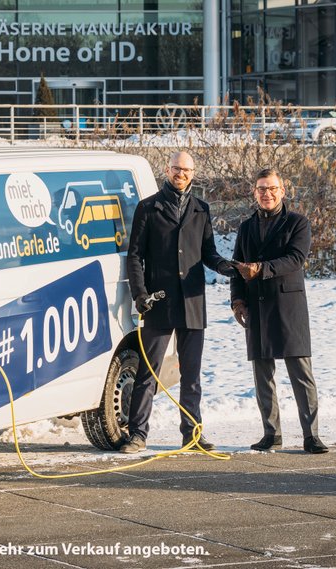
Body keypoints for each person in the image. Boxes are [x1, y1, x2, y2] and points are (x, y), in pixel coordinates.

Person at [121, 151, 237, 454]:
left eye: (186, 170)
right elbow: (135, 256)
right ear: (167, 169)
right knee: (149, 373)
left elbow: (208, 253)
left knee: (192, 375)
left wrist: (231, 268)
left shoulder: (201, 209)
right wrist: (139, 293)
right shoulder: (148, 208)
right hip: (158, 303)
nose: (181, 174)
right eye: (176, 169)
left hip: (192, 302)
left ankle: (192, 433)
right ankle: (138, 434)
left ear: (193, 173)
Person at [230, 168, 328, 454]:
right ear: (255, 192)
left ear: (283, 191)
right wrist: (237, 301)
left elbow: (295, 259)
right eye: (261, 188)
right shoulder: (246, 227)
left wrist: (261, 269)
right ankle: (271, 434)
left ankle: (312, 435)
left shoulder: (298, 223)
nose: (267, 193)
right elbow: (237, 267)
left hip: (288, 306)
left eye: (272, 188)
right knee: (262, 374)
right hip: (256, 306)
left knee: (301, 373)